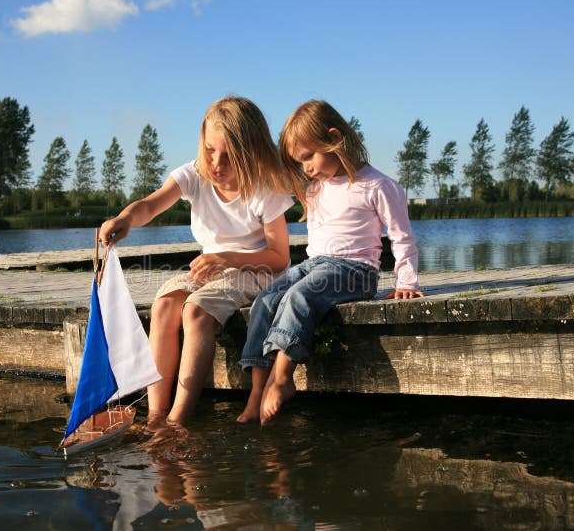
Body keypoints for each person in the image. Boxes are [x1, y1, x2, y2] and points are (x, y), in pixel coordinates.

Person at [99, 96, 302, 423]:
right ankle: (155, 416)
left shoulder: (264, 188)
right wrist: (124, 219)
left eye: (229, 155)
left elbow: (279, 258)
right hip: (214, 268)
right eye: (210, 150)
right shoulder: (195, 174)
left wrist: (225, 258)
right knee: (165, 304)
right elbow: (150, 205)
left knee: (196, 309)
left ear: (250, 154)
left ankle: (178, 420)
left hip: (257, 270)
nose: (216, 163)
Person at [237, 99, 424, 425]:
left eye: (309, 156)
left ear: (334, 138)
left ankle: (283, 379)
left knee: (299, 297)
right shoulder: (314, 188)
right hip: (315, 265)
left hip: (355, 270)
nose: (306, 167)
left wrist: (405, 281)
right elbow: (273, 172)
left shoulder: (377, 185)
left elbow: (402, 237)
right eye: (300, 161)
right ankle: (257, 390)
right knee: (265, 299)